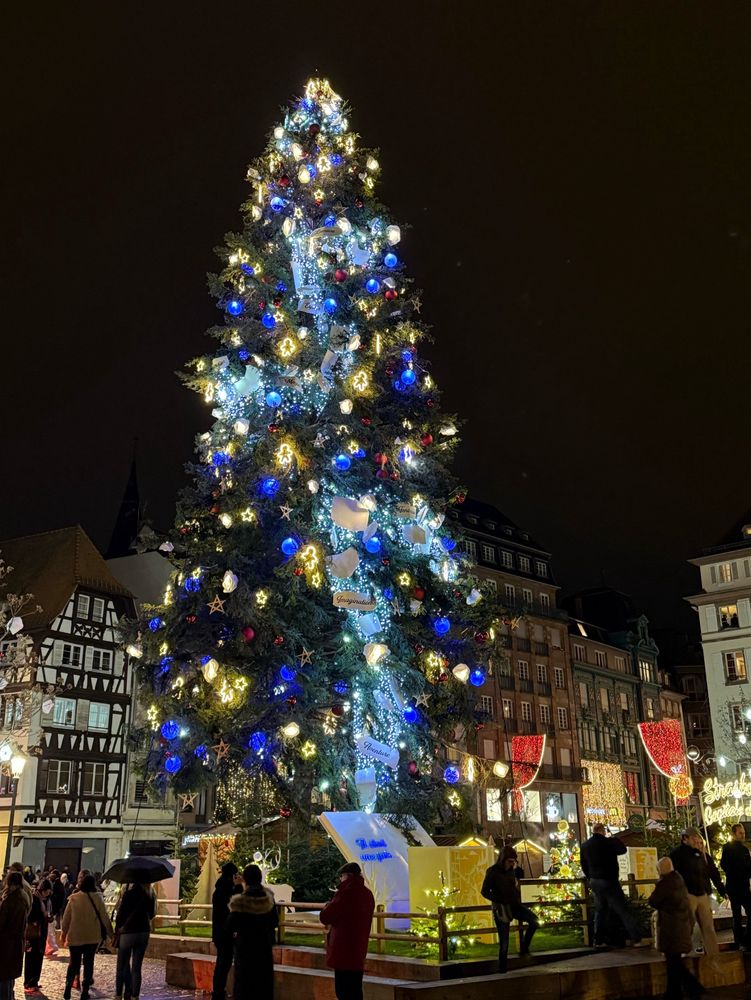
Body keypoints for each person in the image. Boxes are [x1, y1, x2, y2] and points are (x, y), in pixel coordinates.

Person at [649, 857, 704, 1000]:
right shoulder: (679, 880)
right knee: (674, 963)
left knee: (674, 963)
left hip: (671, 929)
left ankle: (690, 989)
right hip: (680, 927)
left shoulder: (665, 884)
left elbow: (653, 901)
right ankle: (678, 991)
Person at [580, 823, 644, 947]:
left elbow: (583, 864)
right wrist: (614, 837)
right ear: (603, 831)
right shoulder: (608, 842)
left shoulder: (585, 845)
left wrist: (590, 877)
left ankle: (598, 940)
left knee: (600, 910)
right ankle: (636, 938)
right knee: (623, 909)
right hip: (609, 880)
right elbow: (622, 850)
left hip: (595, 880)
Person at [319, 862, 375, 1000]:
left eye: (341, 876)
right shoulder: (367, 894)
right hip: (359, 948)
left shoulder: (345, 894)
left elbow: (326, 917)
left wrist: (327, 906)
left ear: (347, 876)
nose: (340, 879)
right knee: (355, 988)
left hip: (342, 948)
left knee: (343, 990)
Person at [481, 846, 539, 972]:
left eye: (514, 861)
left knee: (534, 921)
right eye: (510, 861)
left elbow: (513, 886)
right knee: (504, 942)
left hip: (514, 905)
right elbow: (484, 891)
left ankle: (524, 947)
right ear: (503, 859)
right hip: (501, 908)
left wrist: (516, 896)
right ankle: (503, 969)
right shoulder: (492, 871)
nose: (512, 864)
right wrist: (498, 899)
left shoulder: (511, 871)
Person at [224, 865, 278, 1000]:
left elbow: (229, 926)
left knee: (245, 987)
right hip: (264, 948)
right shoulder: (269, 899)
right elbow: (274, 921)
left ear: (245, 880)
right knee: (263, 986)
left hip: (245, 950)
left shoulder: (240, 902)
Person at [670, 827, 724, 958]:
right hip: (688, 893)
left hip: (703, 893)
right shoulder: (677, 854)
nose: (696, 841)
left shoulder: (700, 854)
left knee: (708, 927)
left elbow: (712, 872)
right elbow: (672, 874)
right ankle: (684, 951)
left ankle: (713, 953)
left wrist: (721, 889)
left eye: (697, 838)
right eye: (693, 838)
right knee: (688, 924)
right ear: (685, 839)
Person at [60, 874, 113, 1000]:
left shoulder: (73, 898)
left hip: (75, 936)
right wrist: (111, 934)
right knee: (89, 963)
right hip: (92, 937)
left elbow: (66, 919)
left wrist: (63, 933)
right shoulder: (97, 898)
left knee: (74, 963)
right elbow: (105, 918)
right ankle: (85, 991)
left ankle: (68, 987)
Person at [115, 883, 155, 1000]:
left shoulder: (128, 894)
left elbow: (121, 914)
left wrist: (118, 927)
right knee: (137, 967)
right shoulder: (149, 895)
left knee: (122, 964)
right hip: (143, 932)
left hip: (128, 932)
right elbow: (151, 915)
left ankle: (118, 994)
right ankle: (134, 995)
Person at [211, 862, 242, 1000]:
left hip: (219, 932)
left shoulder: (219, 889)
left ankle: (218, 991)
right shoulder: (229, 890)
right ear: (232, 875)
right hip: (226, 933)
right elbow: (234, 905)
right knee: (224, 963)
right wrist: (239, 887)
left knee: (222, 963)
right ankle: (218, 992)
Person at [720, 822, 751, 949]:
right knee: (737, 914)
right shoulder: (728, 848)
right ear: (734, 834)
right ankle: (740, 939)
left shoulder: (744, 849)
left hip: (742, 886)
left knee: (743, 912)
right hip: (735, 886)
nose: (743, 835)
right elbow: (725, 865)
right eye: (740, 833)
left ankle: (745, 938)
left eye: (743, 833)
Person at [0, 872, 29, 1000]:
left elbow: (1, 923)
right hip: (16, 941)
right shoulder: (23, 897)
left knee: (3, 974)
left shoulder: (10, 900)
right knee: (9, 975)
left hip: (6, 942)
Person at [24, 879, 52, 995]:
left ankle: (35, 981)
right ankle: (28, 982)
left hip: (42, 932)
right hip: (33, 932)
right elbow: (30, 915)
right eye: (47, 891)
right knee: (31, 957)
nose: (48, 893)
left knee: (39, 956)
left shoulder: (48, 900)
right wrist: (42, 917)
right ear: (42, 889)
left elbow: (49, 912)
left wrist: (48, 917)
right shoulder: (34, 898)